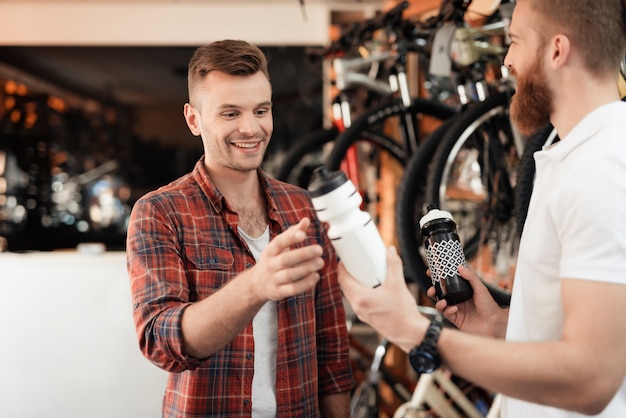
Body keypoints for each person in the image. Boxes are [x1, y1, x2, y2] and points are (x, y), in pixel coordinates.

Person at [338, 0, 626, 417]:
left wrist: (417, 332)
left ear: (557, 51)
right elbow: (573, 331)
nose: (506, 61)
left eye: (514, 42)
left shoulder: (602, 169)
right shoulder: (570, 154)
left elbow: (592, 376)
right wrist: (500, 326)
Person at [126, 40, 352, 417]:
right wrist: (255, 285)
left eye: (260, 110)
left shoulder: (304, 208)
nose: (251, 128)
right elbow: (160, 341)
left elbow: (331, 349)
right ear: (193, 119)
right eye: (230, 113)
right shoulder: (159, 212)